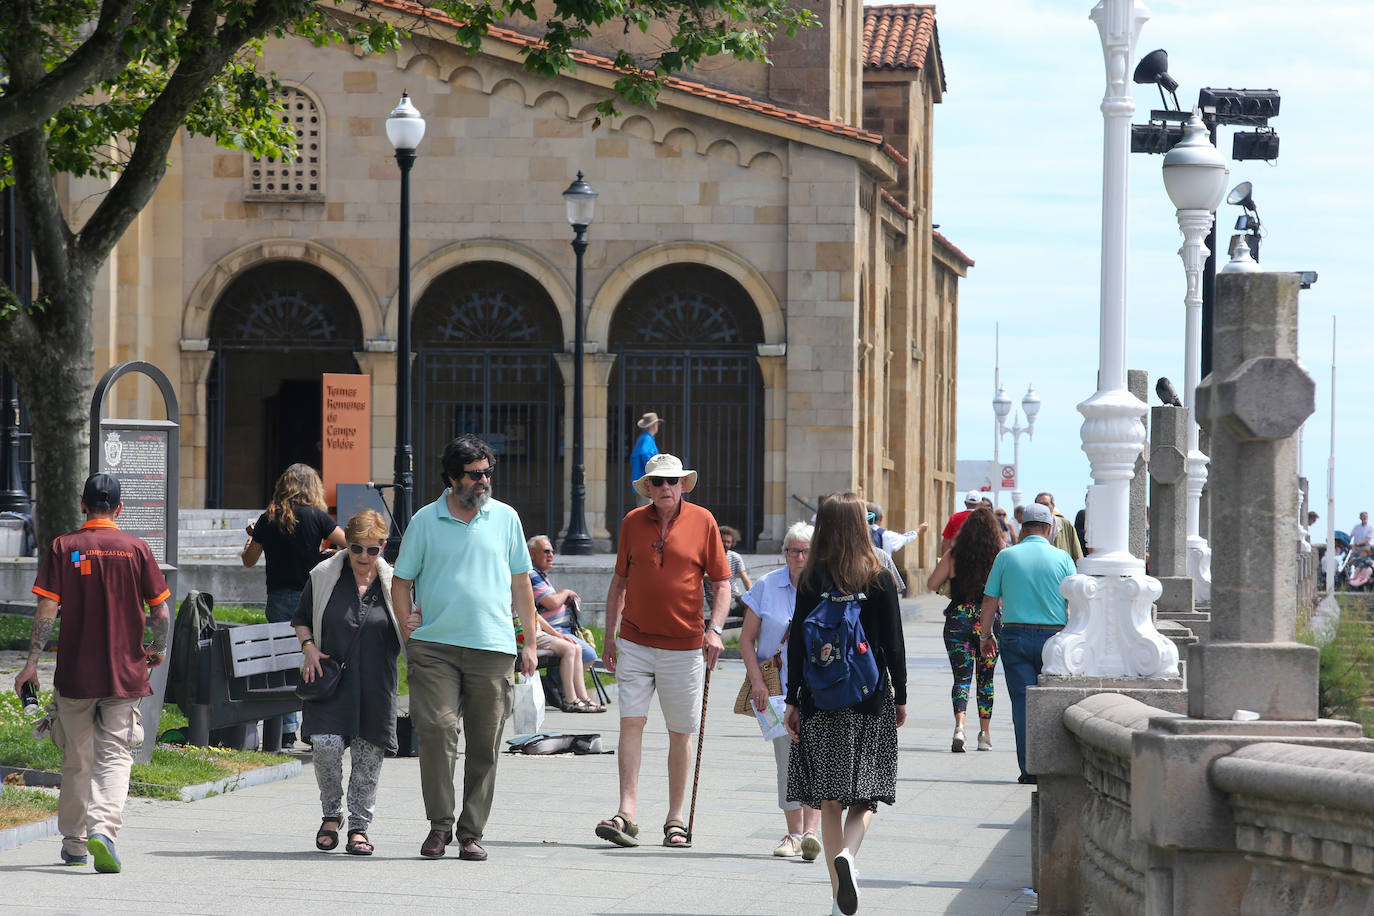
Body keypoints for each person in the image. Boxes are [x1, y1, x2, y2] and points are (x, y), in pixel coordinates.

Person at [14, 473, 171, 873]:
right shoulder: (136, 549)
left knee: (77, 758)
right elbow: (161, 611)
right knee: (116, 756)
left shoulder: (64, 547)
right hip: (124, 673)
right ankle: (104, 830)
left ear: (82, 505)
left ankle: (74, 843)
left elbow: (47, 611)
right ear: (119, 509)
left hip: (75, 676)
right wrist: (158, 648)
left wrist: (31, 663)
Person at [391, 434, 538, 862]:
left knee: (485, 742)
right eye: (475, 475)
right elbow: (401, 580)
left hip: (493, 647)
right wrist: (408, 629)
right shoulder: (424, 520)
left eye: (488, 473)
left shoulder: (506, 518)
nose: (484, 481)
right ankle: (439, 826)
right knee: (437, 730)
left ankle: (470, 832)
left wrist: (527, 641)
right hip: (434, 647)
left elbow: (521, 583)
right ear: (452, 478)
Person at [596, 453, 731, 850]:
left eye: (673, 481)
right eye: (658, 482)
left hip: (685, 646)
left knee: (680, 732)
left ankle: (675, 818)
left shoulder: (703, 521)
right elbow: (619, 582)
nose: (666, 488)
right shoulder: (632, 522)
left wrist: (716, 630)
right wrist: (608, 637)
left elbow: (722, 584)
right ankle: (627, 812)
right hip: (635, 641)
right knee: (630, 724)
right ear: (648, 488)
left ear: (683, 485)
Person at [784, 492, 907, 916]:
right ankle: (849, 858)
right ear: (861, 525)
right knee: (866, 795)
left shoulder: (812, 579)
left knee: (830, 800)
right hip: (870, 699)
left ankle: (838, 898)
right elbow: (893, 644)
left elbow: (798, 643)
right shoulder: (879, 576)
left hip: (820, 700)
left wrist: (794, 698)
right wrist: (902, 697)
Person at [291, 509, 402, 856]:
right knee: (324, 746)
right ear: (346, 546)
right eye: (357, 549)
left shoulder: (395, 582)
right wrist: (308, 648)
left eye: (373, 549)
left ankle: (358, 825)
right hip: (330, 679)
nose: (364, 557)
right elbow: (301, 618)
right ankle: (330, 813)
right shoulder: (324, 575)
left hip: (376, 681)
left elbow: (412, 622)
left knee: (369, 755)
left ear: (383, 547)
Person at [241, 462, 347, 747]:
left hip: (277, 598)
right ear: (313, 488)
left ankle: (285, 730)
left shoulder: (268, 518)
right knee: (313, 659)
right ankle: (313, 726)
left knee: (282, 664)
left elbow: (248, 560)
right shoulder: (318, 517)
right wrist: (324, 555)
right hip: (311, 598)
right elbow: (350, 544)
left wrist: (254, 535)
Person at [738, 521, 821, 861]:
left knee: (816, 759)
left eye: (805, 551)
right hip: (775, 687)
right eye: (792, 550)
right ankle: (794, 833)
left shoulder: (825, 587)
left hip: (817, 689)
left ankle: (813, 833)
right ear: (784, 553)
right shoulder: (766, 585)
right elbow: (745, 640)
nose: (798, 557)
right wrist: (757, 681)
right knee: (787, 761)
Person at [979, 502, 1076, 785]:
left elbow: (988, 601)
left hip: (1015, 635)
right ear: (1049, 529)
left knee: (1021, 704)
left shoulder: (1006, 556)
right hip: (1054, 637)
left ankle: (1028, 769)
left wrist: (986, 636)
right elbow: (1075, 602)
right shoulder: (1063, 558)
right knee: (1051, 703)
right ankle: (1049, 764)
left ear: (1022, 528)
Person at [927, 506, 1003, 754]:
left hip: (958, 619)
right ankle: (985, 734)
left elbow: (931, 584)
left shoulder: (954, 554)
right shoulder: (1000, 555)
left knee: (961, 678)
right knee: (986, 679)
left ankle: (960, 727)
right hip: (988, 620)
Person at [527, 535, 602, 711]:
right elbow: (551, 603)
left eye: (552, 551)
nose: (551, 555)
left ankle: (576, 695)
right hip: (539, 632)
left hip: (555, 630)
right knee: (583, 652)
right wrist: (566, 592)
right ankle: (564, 692)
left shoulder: (540, 575)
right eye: (546, 551)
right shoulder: (531, 574)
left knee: (578, 649)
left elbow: (539, 611)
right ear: (531, 554)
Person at [706, 525, 752, 618]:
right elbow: (701, 576)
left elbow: (745, 578)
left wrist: (753, 594)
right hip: (717, 599)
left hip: (735, 596)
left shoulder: (735, 557)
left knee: (753, 605)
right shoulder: (707, 557)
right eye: (723, 541)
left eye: (728, 542)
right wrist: (717, 575)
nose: (725, 544)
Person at [1034, 491, 1084, 562]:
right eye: (1040, 505)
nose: (1043, 508)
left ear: (1053, 506)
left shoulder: (1065, 524)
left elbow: (1077, 552)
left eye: (1046, 504)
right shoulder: (1028, 526)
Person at [629, 412, 662, 503]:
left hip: (643, 482)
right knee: (646, 512)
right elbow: (645, 454)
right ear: (654, 426)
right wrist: (652, 469)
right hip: (645, 483)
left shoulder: (644, 439)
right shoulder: (647, 439)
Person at [940, 490, 983, 556]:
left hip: (959, 557)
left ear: (965, 503)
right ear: (980, 504)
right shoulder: (984, 518)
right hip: (979, 556)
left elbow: (946, 542)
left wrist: (945, 559)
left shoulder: (955, 517)